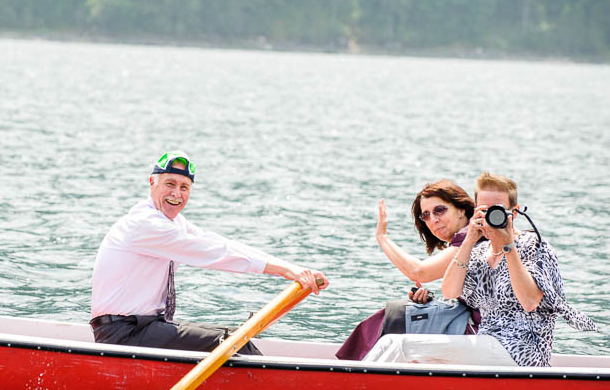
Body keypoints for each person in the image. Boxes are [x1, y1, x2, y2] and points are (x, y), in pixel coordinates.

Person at [90, 150, 328, 355]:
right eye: (169, 184)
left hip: (144, 327)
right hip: (122, 334)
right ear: (152, 183)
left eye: (184, 187)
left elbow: (217, 242)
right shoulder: (147, 225)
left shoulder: (172, 222)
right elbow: (217, 253)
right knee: (234, 344)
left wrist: (292, 268)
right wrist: (287, 271)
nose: (176, 194)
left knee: (237, 339)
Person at [364, 172, 597, 367]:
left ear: (513, 213)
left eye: (498, 210)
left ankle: (355, 389)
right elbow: (450, 292)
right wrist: (469, 239)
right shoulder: (478, 252)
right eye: (484, 209)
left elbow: (529, 301)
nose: (491, 216)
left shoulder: (534, 246)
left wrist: (508, 246)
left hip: (522, 351)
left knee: (399, 345)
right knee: (400, 349)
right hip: (486, 343)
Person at [336, 180, 478, 360]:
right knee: (402, 313)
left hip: (478, 328)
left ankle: (350, 372)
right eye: (425, 215)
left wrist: (383, 238)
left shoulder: (471, 238)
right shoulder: (468, 237)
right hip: (466, 320)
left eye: (439, 210)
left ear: (461, 209)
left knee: (396, 315)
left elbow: (419, 272)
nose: (433, 219)